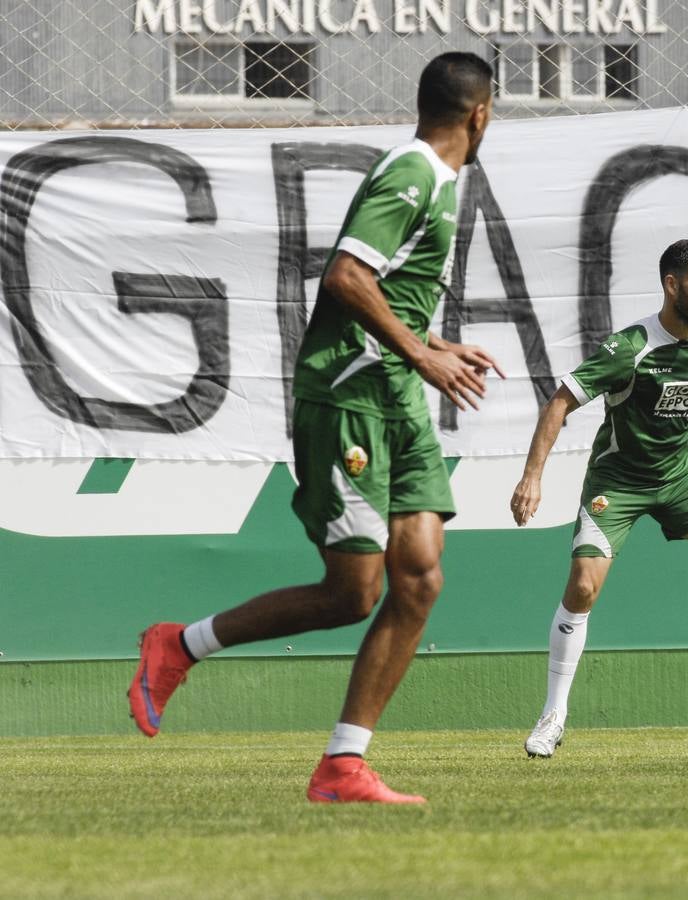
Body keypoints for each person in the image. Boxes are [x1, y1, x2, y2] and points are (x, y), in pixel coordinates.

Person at [128, 52, 503, 804]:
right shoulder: (415, 173)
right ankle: (181, 643)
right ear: (479, 114)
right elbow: (345, 278)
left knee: (420, 575)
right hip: (349, 399)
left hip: (395, 392)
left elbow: (382, 291)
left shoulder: (438, 179)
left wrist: (430, 346)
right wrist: (422, 359)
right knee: (352, 592)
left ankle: (343, 765)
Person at [509, 239, 688, 758]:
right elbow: (560, 400)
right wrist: (532, 478)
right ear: (672, 285)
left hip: (677, 479)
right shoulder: (630, 347)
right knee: (582, 586)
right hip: (617, 483)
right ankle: (553, 714)